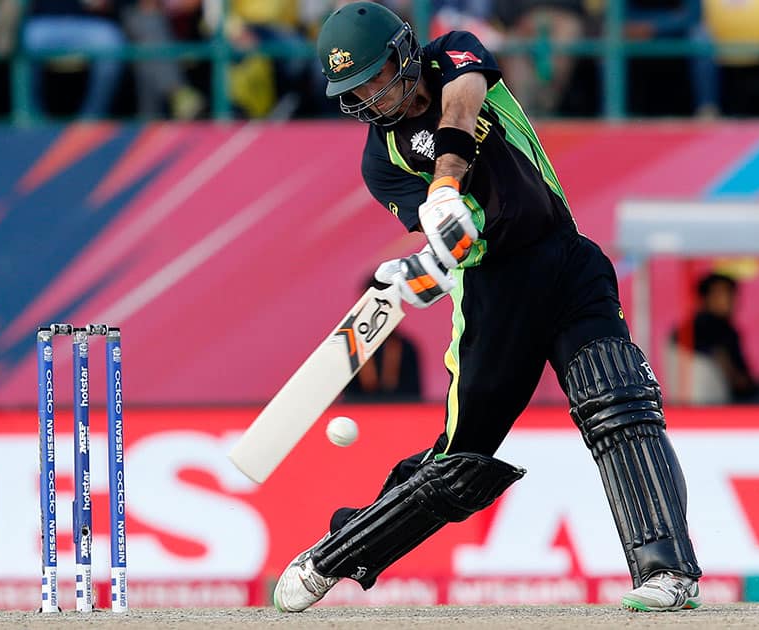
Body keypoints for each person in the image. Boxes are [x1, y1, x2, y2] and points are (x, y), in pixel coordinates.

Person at [273, 1, 702, 614]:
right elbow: (463, 239)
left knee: (620, 403)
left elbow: (463, 104)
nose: (370, 96)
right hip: (494, 292)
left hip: (566, 258)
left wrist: (445, 184)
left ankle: (668, 572)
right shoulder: (381, 162)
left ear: (403, 52)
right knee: (460, 462)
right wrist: (430, 263)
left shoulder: (455, 55)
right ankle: (335, 555)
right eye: (355, 88)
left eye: (374, 76)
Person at [671, 272, 757, 403]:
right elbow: (738, 379)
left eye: (731, 294)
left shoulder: (685, 332)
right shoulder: (710, 331)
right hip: (717, 410)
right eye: (721, 294)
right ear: (705, 298)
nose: (729, 300)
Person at [343, 274, 424, 402]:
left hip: (399, 416)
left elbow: (414, 397)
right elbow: (347, 397)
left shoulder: (406, 348)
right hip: (359, 415)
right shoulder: (350, 347)